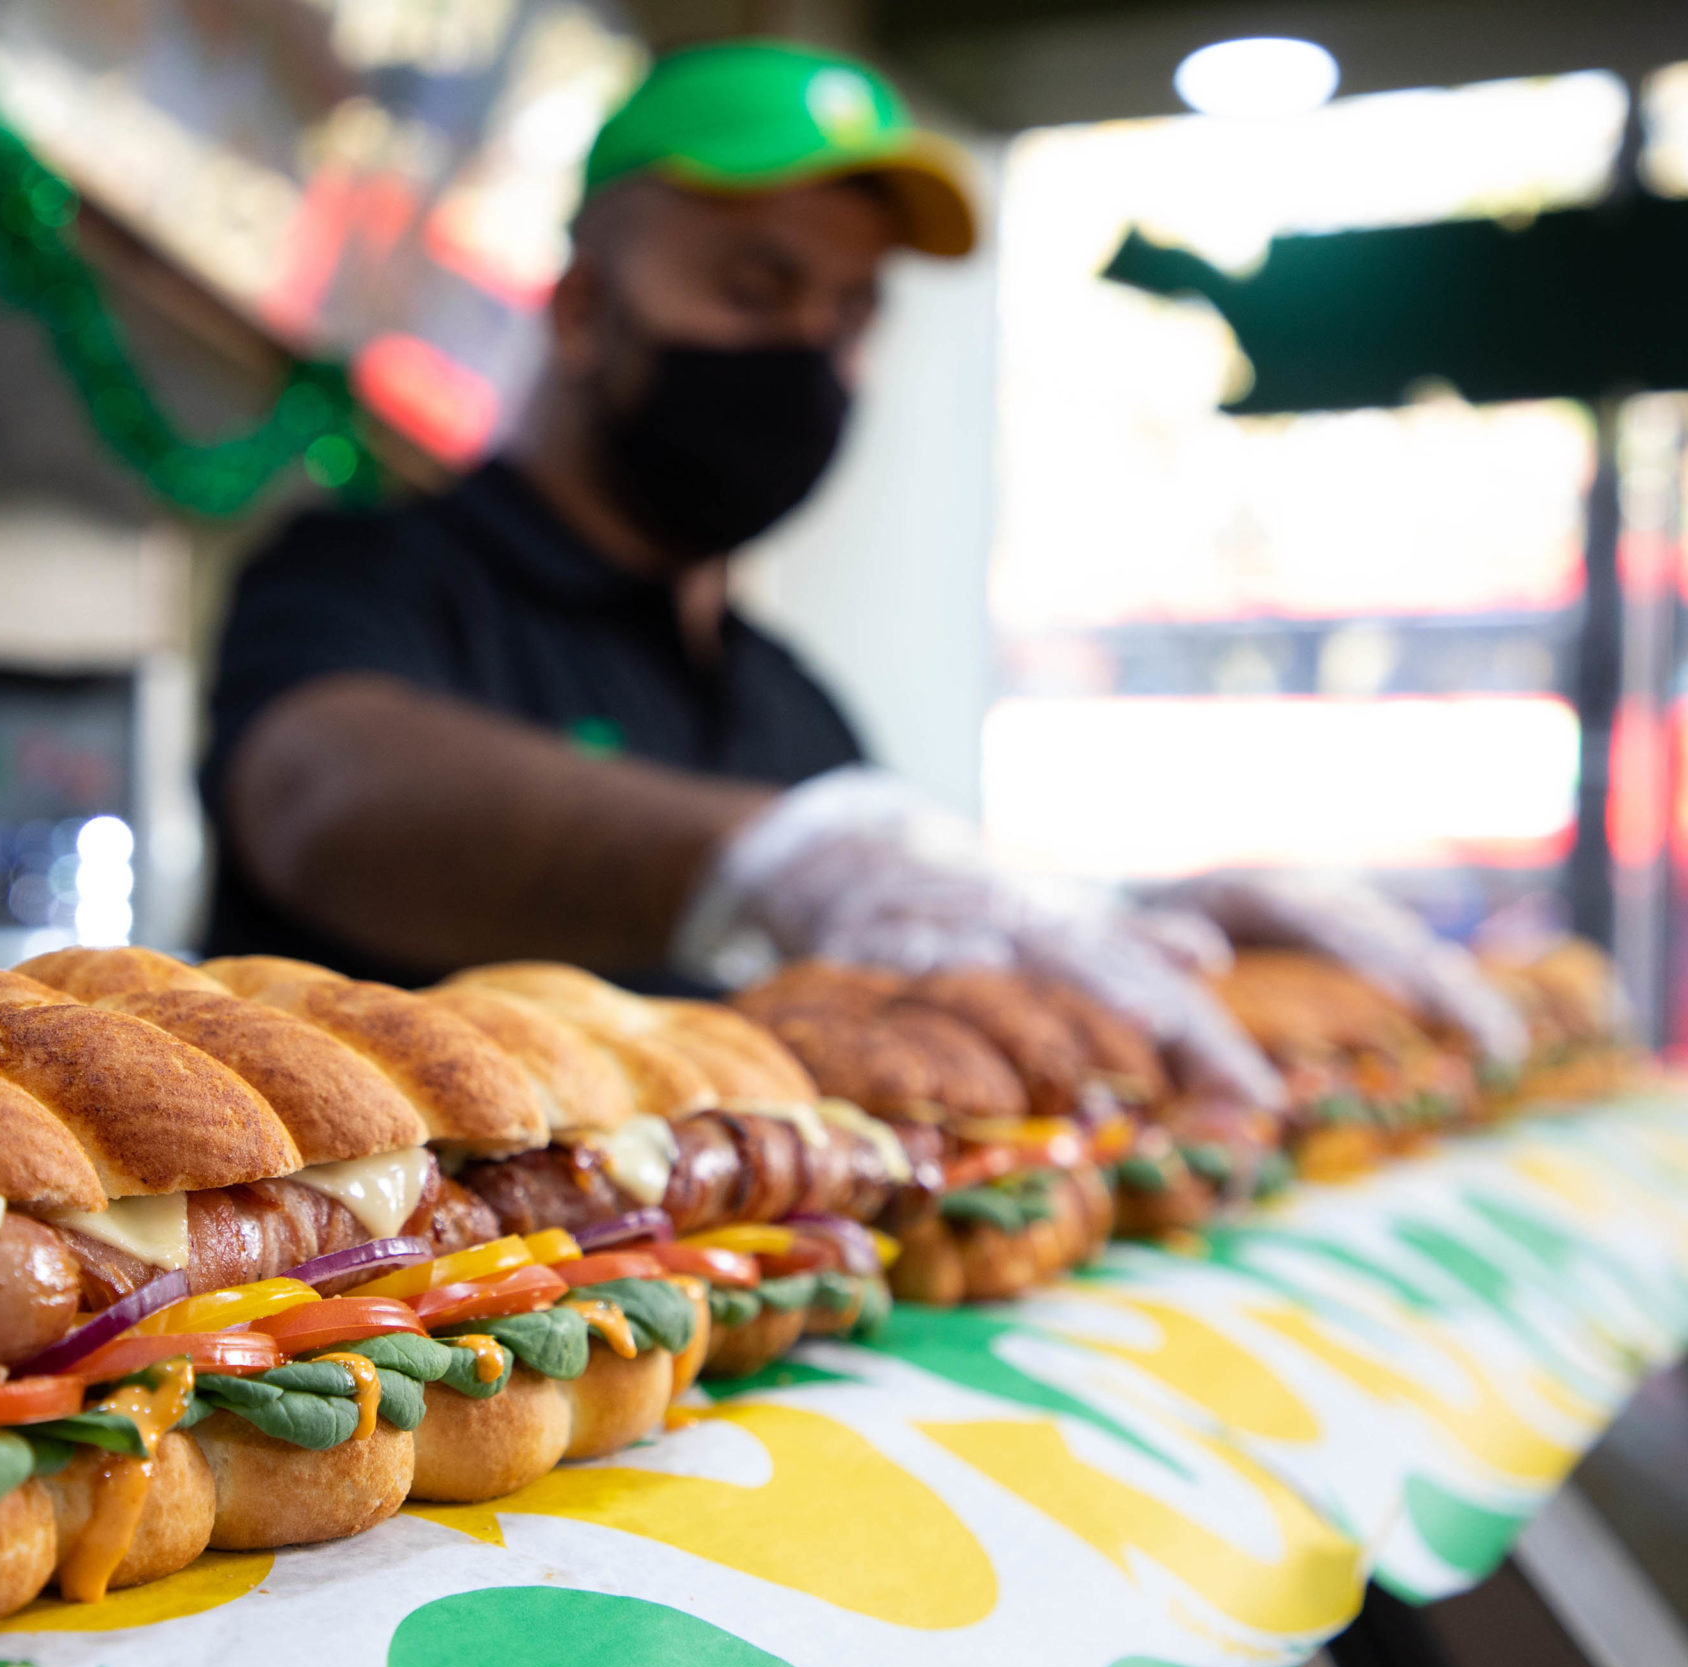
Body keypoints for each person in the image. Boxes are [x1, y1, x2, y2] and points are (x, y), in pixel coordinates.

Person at [198, 40, 1522, 1103]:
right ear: (590, 308)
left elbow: (898, 951)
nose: (810, 353)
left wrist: (1139, 925)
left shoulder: (790, 702)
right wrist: (760, 853)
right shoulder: (372, 570)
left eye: (849, 313)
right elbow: (319, 791)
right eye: (757, 286)